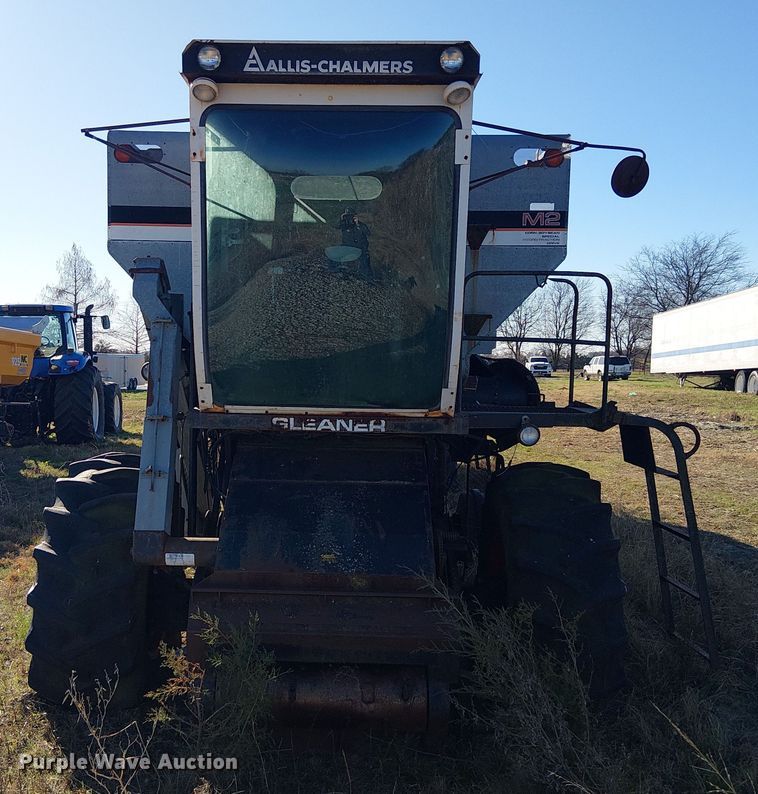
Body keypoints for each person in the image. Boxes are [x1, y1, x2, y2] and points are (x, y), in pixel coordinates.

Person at [337, 207, 372, 277]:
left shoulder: (361, 225)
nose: (349, 218)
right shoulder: (344, 225)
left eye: (351, 216)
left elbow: (368, 233)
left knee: (364, 261)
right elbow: (335, 226)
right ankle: (344, 272)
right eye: (347, 216)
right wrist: (341, 219)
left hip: (361, 248)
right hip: (347, 247)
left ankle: (366, 276)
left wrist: (357, 224)